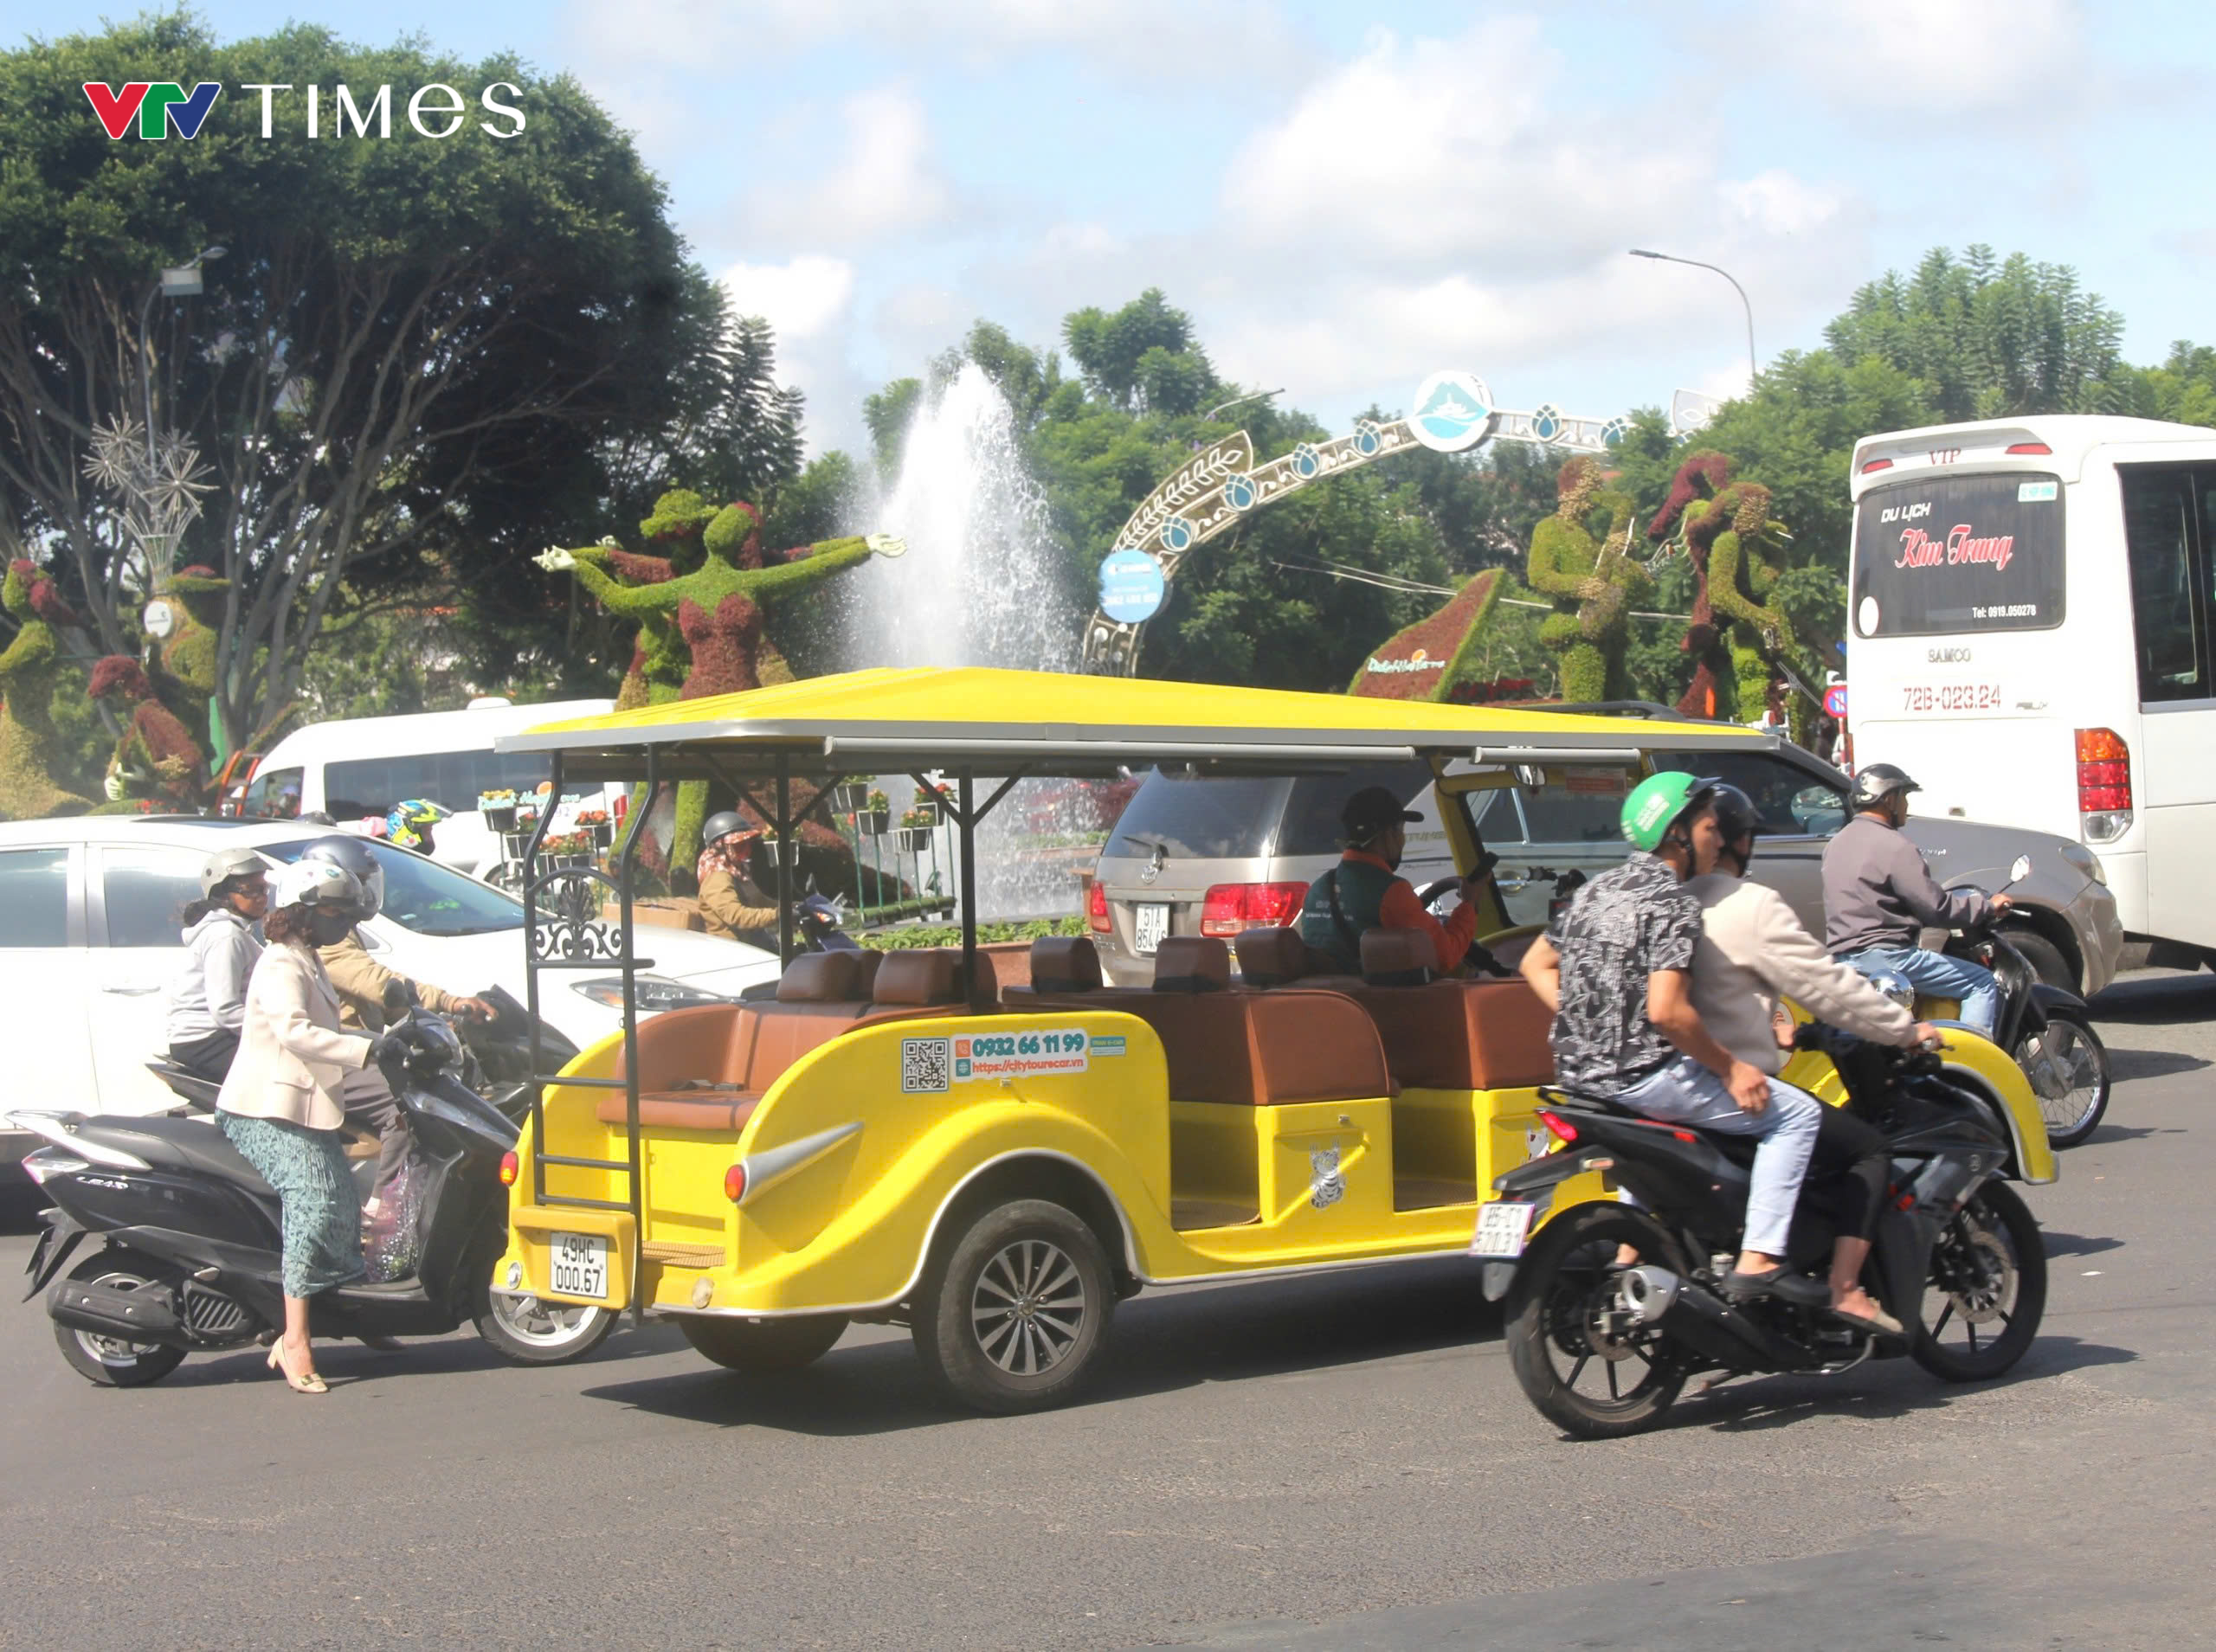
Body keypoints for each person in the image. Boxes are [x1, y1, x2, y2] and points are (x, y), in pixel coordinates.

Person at [1519, 771, 1825, 1306]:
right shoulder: (1674, 902)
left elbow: (1535, 963)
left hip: (1580, 1079)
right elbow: (1667, 1011)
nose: (1717, 839)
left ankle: (1630, 1258)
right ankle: (1759, 1260)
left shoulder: (1595, 892)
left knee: (1653, 1143)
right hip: (1645, 1078)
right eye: (1709, 827)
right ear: (1677, 834)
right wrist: (1734, 1069)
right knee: (1798, 1116)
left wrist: (1592, 1020)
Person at [1687, 783, 1944, 1332]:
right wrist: (1903, 1029)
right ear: (1742, 842)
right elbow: (1825, 985)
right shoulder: (1747, 904)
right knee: (1867, 1149)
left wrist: (1779, 1023)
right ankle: (1844, 1288)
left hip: (1673, 1078)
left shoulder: (1668, 900)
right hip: (1732, 1084)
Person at [216, 858, 414, 1394]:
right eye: (333, 911)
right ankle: (294, 1339)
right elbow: (295, 1032)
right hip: (265, 1109)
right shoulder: (282, 963)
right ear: (303, 911)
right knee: (314, 1204)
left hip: (305, 1105)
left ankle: (354, 1319)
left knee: (346, 1205)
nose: (341, 922)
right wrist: (367, 1047)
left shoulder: (308, 957)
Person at [297, 835, 493, 1218]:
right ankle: (382, 1206)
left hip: (361, 1046)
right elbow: (378, 984)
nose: (362, 894)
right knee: (405, 1108)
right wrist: (448, 1000)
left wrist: (442, 1018)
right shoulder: (324, 941)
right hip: (339, 1053)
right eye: (354, 884)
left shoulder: (342, 931)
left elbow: (376, 1002)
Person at [1824, 763, 2010, 1038]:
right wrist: (1987, 906)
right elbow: (1936, 908)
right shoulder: (1895, 846)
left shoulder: (1836, 844)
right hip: (1890, 958)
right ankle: (1978, 1065)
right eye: (1904, 796)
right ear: (1889, 799)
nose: (1906, 805)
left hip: (1844, 961)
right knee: (1980, 982)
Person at [1298, 785, 1488, 974]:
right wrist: (1469, 904)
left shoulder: (1318, 888)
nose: (1401, 839)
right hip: (1383, 1002)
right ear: (1389, 834)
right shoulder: (1393, 892)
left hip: (1333, 998)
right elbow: (1446, 957)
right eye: (1401, 831)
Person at [164, 847, 269, 1083]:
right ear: (224, 895)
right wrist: (273, 1031)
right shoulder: (225, 936)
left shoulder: (237, 932)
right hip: (207, 1041)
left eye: (264, 889)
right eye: (252, 891)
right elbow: (225, 1010)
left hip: (220, 1035)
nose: (262, 897)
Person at [697, 811, 780, 943]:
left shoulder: (737, 870)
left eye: (748, 844)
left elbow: (759, 901)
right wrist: (777, 915)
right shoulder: (717, 876)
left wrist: (791, 907)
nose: (747, 850)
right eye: (739, 846)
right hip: (733, 950)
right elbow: (736, 916)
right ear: (721, 846)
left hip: (753, 941)